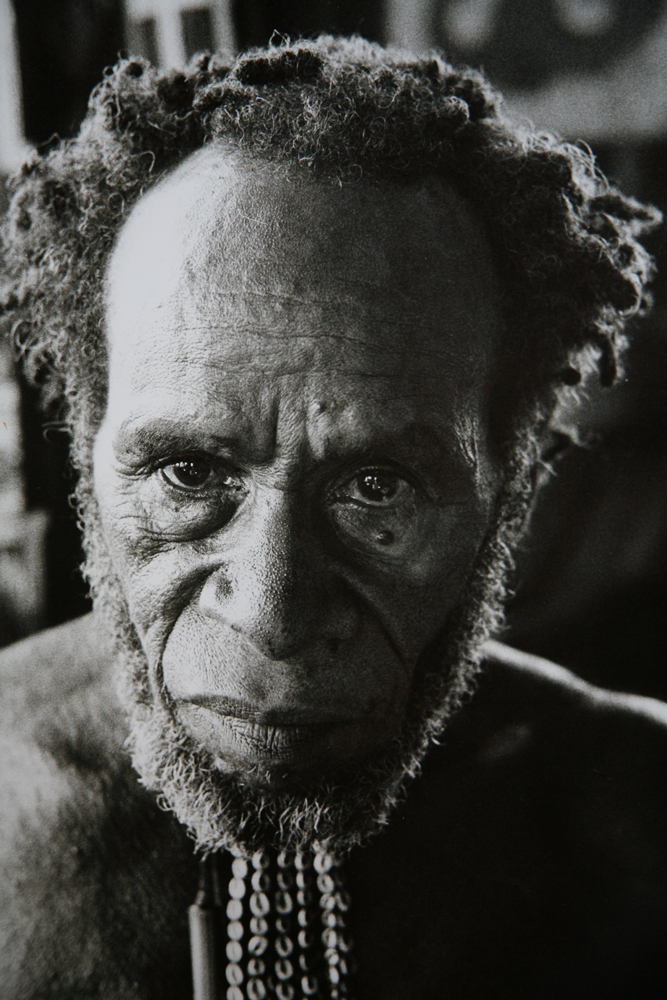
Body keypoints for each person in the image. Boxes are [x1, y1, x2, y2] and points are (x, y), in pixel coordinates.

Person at [0, 35, 665, 1000]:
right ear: (87, 456)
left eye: (377, 488)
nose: (272, 613)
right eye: (188, 473)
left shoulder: (639, 824)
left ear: (514, 491)